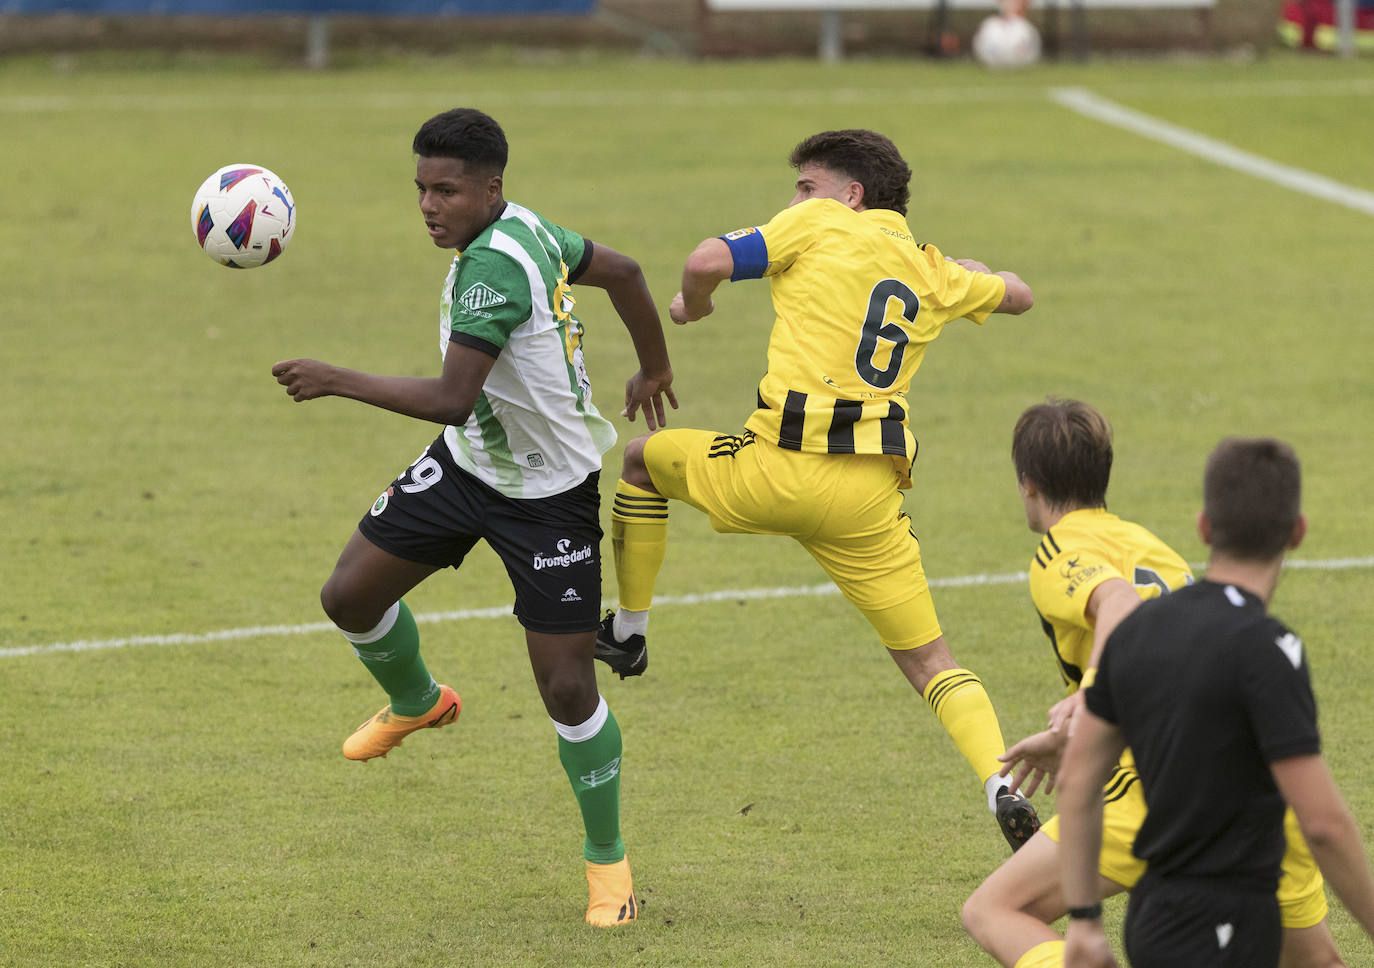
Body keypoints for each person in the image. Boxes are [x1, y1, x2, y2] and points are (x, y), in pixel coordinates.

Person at [270, 108, 677, 927]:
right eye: (421, 188)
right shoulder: (529, 227)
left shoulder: (495, 266)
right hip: (470, 468)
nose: (429, 205)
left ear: (490, 189)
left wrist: (333, 376)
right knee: (349, 597)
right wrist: (654, 363)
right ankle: (419, 700)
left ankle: (609, 868)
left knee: (566, 687)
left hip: (549, 496)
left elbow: (453, 399)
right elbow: (628, 272)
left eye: (446, 190)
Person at [592, 127, 1041, 849]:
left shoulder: (824, 221)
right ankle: (1000, 783)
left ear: (849, 194)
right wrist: (975, 271)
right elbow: (1020, 296)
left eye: (805, 186)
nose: (794, 200)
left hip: (774, 470)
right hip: (868, 497)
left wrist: (693, 307)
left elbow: (704, 260)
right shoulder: (932, 271)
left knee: (643, 458)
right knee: (932, 662)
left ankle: (629, 633)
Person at [963, 400, 1347, 968]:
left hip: (1153, 783)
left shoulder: (1058, 551)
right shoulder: (1151, 547)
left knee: (993, 911)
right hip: (1256, 777)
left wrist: (1087, 706)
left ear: (1028, 485)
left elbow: (1117, 607)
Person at [1057, 437, 1374, 967]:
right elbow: (1321, 824)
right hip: (1230, 929)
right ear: (1297, 533)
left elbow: (1076, 780)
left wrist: (1086, 920)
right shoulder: (1267, 648)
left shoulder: (1135, 632)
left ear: (1204, 527)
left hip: (1152, 921)